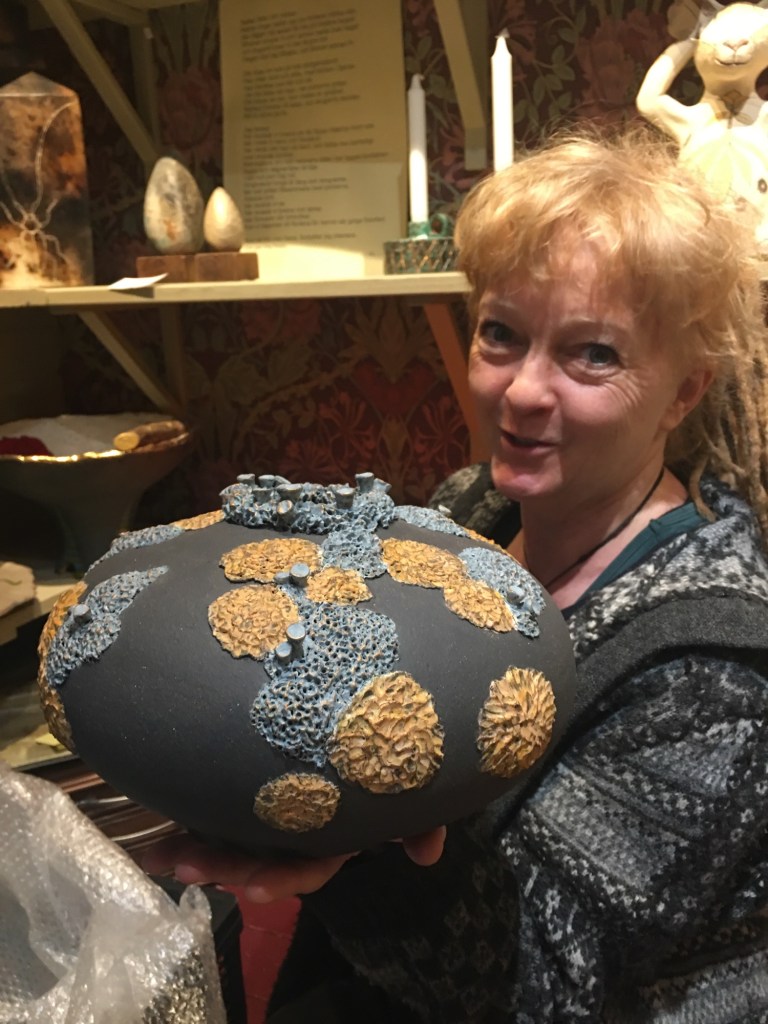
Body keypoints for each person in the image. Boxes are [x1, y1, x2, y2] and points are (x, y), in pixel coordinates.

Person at [143, 127, 768, 1022]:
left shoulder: (715, 669)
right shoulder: (470, 511)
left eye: (593, 353)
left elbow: (548, 984)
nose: (522, 392)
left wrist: (352, 860)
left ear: (684, 391)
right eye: (501, 334)